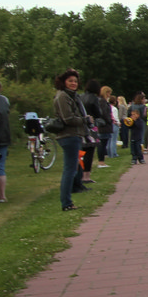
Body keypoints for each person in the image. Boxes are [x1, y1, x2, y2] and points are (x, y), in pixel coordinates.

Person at [50, 69, 88, 211]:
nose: (73, 83)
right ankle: (66, 202)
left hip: (74, 135)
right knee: (70, 170)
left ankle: (67, 200)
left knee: (72, 168)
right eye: (70, 81)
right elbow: (68, 118)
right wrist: (84, 120)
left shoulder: (72, 96)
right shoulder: (63, 96)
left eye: (75, 81)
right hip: (68, 135)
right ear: (63, 82)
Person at [126, 91, 148, 164]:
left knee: (133, 140)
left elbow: (128, 114)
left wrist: (131, 119)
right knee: (140, 138)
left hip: (132, 124)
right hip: (141, 123)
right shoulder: (143, 106)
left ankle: (134, 158)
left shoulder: (132, 106)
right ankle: (140, 157)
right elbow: (144, 115)